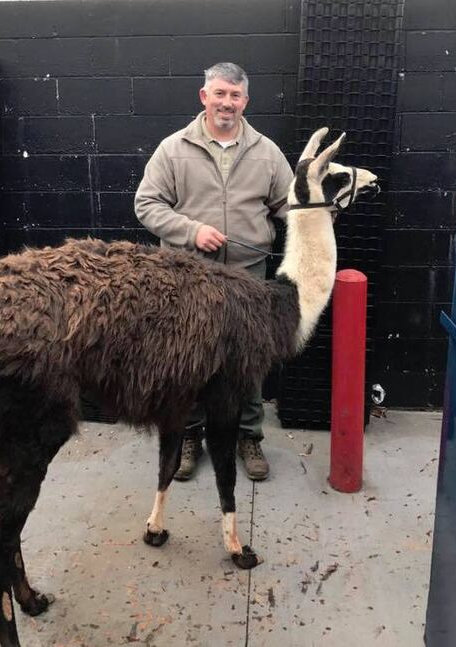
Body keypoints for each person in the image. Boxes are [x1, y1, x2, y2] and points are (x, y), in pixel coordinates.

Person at [134, 62, 293, 481]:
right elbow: (147, 204)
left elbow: (286, 207)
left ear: (246, 101)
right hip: (186, 276)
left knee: (248, 362)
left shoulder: (267, 153)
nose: (227, 102)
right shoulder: (173, 149)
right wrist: (190, 231)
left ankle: (248, 437)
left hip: (248, 275)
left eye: (235, 95)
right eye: (219, 94)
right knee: (185, 360)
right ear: (204, 96)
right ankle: (188, 436)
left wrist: (315, 214)